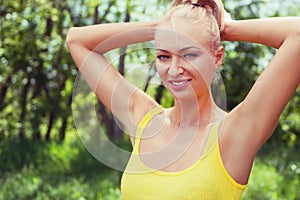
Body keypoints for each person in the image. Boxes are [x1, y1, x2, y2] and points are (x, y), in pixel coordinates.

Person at [67, 0, 300, 199]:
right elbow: (76, 40)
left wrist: (226, 27)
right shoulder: (144, 119)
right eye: (163, 56)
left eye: (190, 54)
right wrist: (160, 27)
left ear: (217, 57)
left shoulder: (235, 133)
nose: (174, 69)